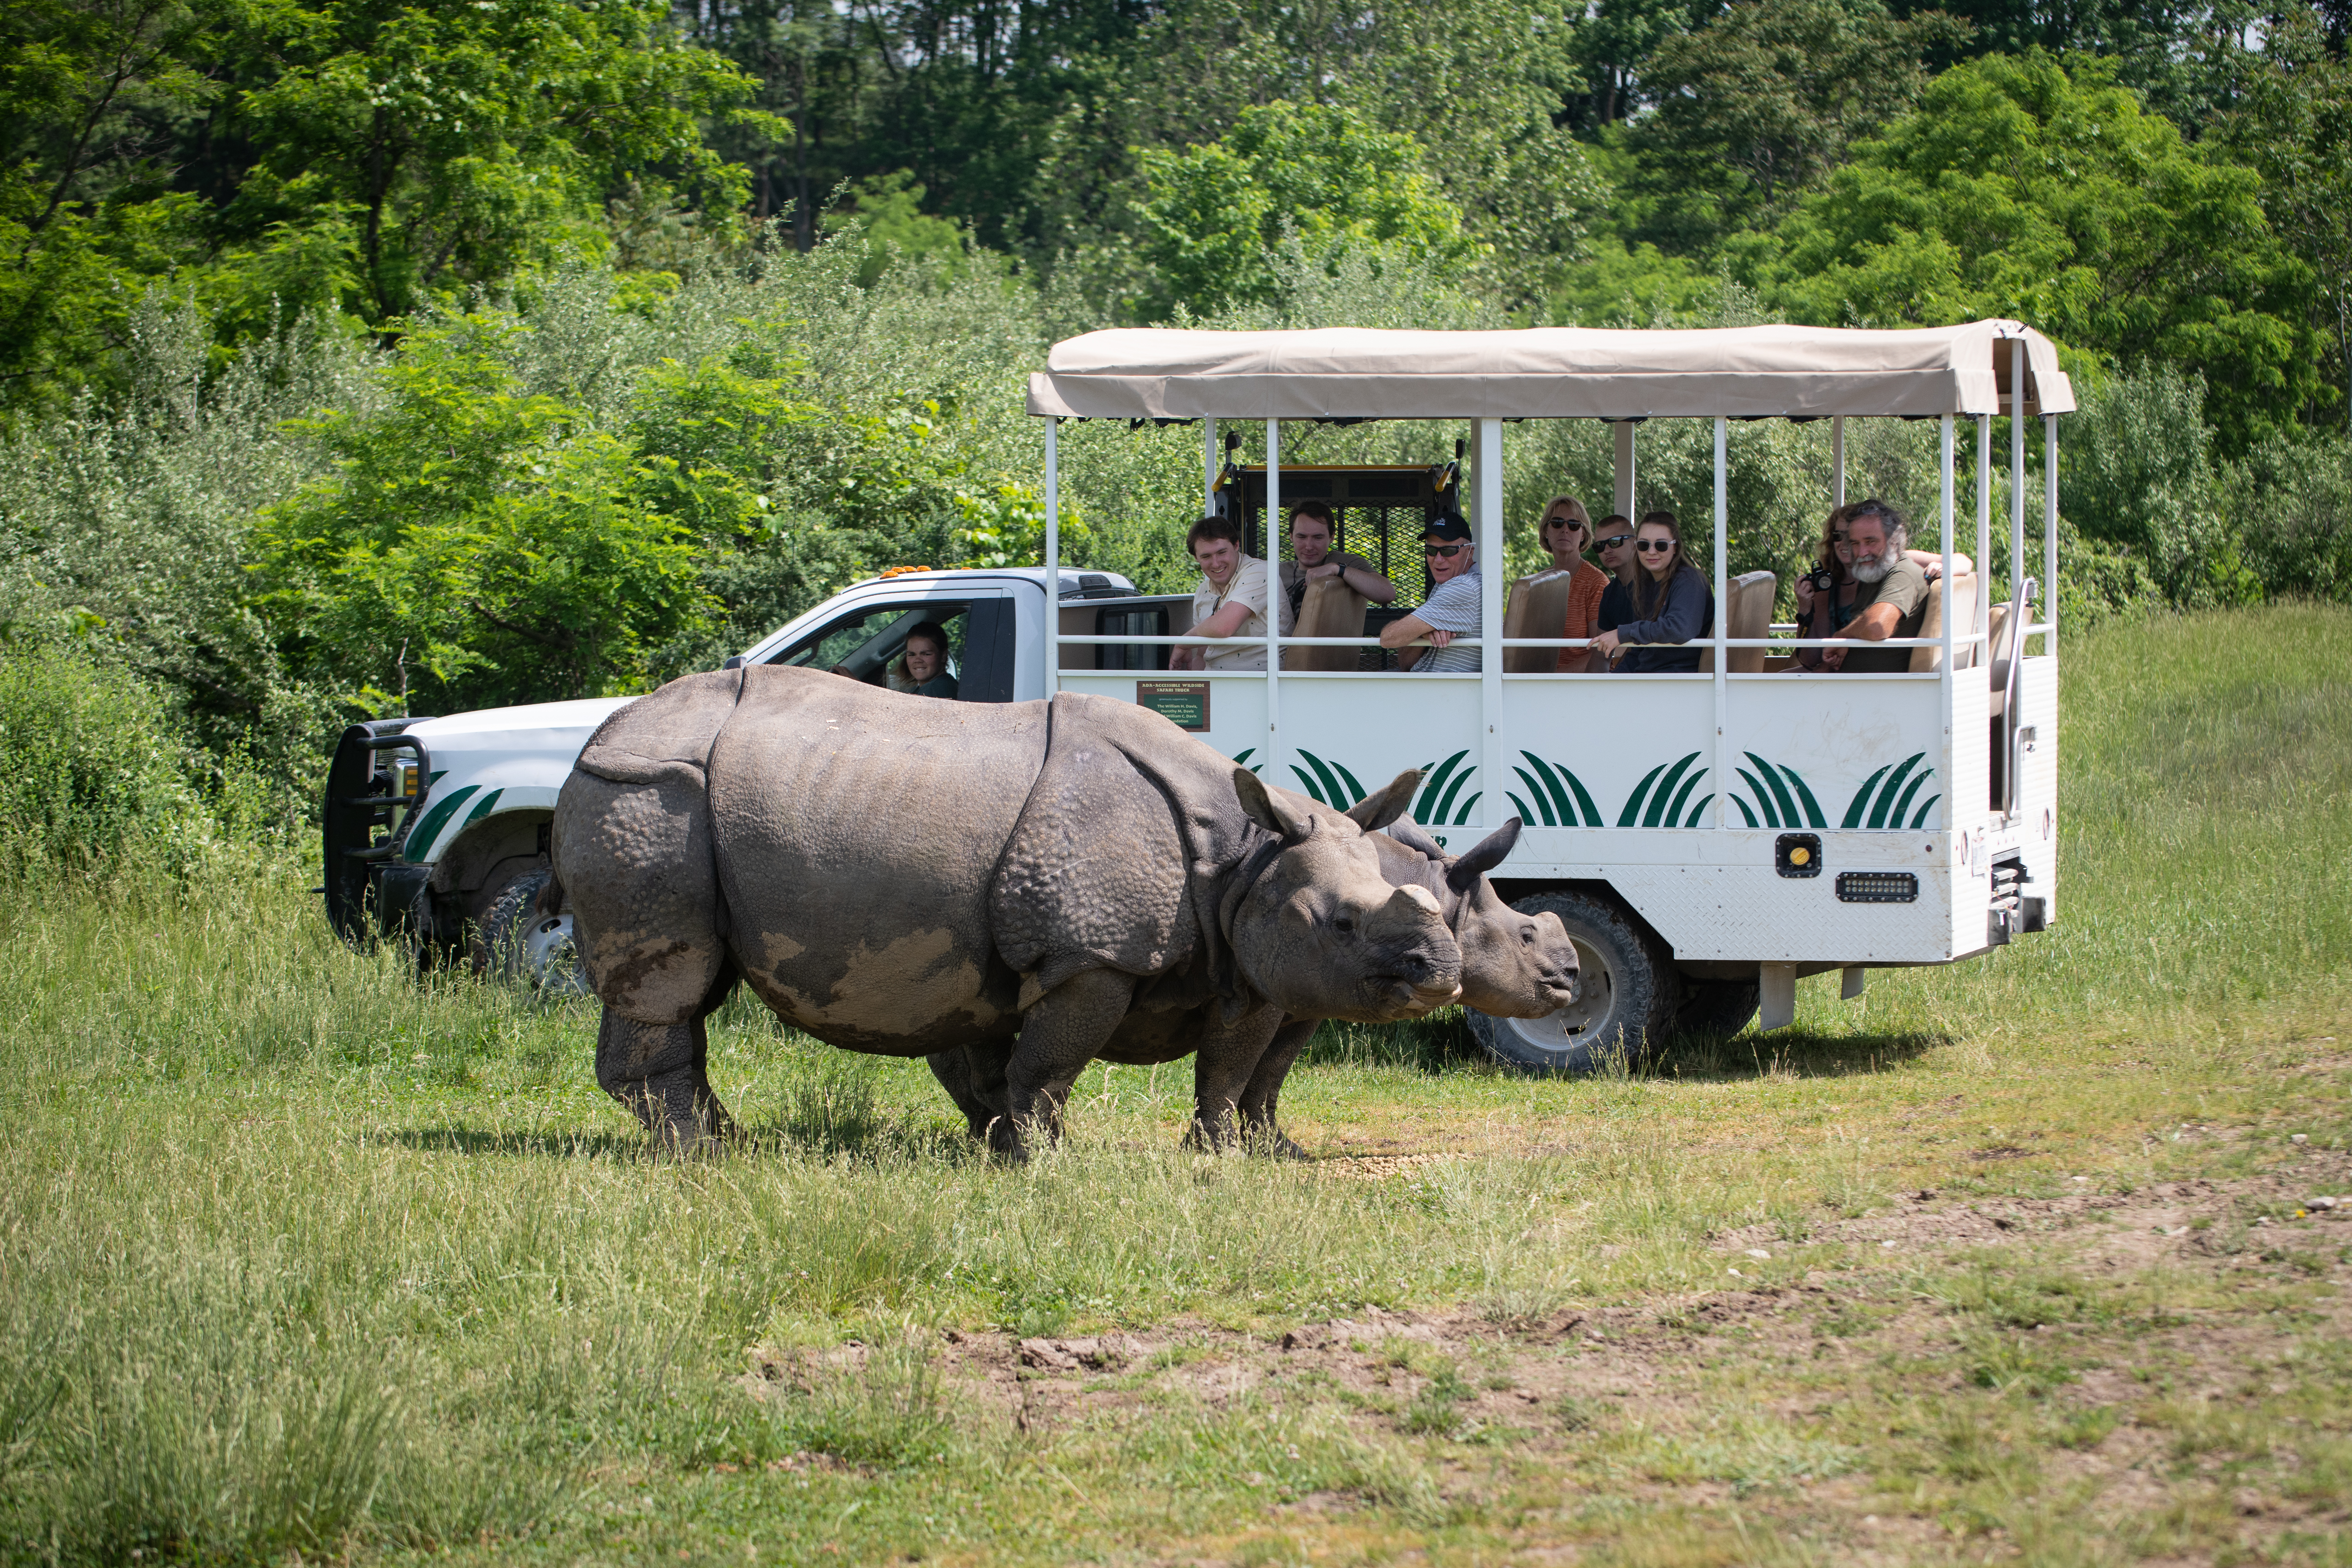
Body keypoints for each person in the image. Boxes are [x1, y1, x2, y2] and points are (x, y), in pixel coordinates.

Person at [1591, 510, 1714, 672]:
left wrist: (1624, 634)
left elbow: (1679, 629)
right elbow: (1640, 653)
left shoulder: (1689, 581)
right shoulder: (1645, 584)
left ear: (1675, 547)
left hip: (1679, 681)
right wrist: (1612, 681)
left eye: (1661, 545)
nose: (1652, 551)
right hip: (1650, 678)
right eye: (1644, 545)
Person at [1818, 499, 1932, 673]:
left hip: (1876, 693)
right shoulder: (1872, 575)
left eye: (1871, 542)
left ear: (1894, 542)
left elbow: (1876, 626)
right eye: (1855, 544)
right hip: (1849, 688)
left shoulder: (1903, 574)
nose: (1862, 553)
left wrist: (1841, 637)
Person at [1378, 515, 1482, 671]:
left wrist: (1419, 630)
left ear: (1470, 551)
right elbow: (1406, 663)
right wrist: (1423, 634)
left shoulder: (1463, 588)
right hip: (1427, 686)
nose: (1438, 559)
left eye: (1448, 551)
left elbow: (1388, 638)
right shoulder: (1449, 582)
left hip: (1437, 691)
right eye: (1431, 550)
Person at [1277, 501, 1396, 634]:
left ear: (1332, 536)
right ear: (1291, 536)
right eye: (1302, 537)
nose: (1309, 546)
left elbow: (1387, 593)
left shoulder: (1342, 562)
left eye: (1318, 538)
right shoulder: (1277, 572)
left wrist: (1337, 569)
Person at [1170, 515, 1271, 671]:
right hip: (1216, 684)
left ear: (1237, 545)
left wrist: (1183, 643)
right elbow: (1203, 655)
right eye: (1206, 556)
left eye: (1222, 552)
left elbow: (1223, 627)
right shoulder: (1203, 591)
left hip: (1259, 686)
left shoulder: (1260, 572)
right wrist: (1193, 688)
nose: (1216, 563)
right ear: (1196, 558)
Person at [1534, 495, 1610, 673]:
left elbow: (1600, 652)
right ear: (1546, 530)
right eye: (1557, 523)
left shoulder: (1597, 583)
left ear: (1583, 535)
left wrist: (1554, 678)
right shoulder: (1537, 583)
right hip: (1536, 684)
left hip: (1579, 686)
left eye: (1574, 525)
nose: (1565, 530)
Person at [889, 621, 959, 698]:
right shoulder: (945, 684)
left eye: (926, 654)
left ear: (943, 656)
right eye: (912, 655)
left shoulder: (934, 689)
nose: (918, 660)